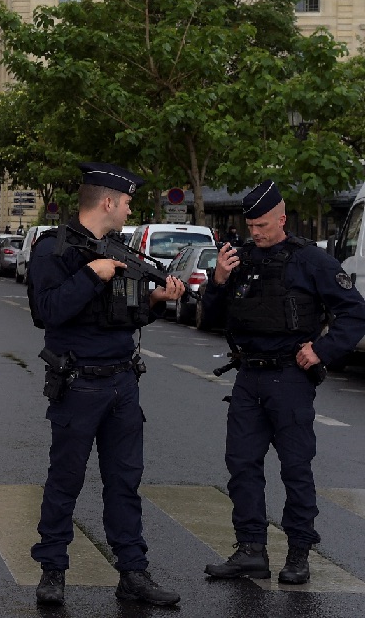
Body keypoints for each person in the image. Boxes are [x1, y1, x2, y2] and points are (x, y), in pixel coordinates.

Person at [28, 162, 185, 607]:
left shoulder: (121, 250)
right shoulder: (52, 249)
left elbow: (129, 315)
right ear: (108, 202)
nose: (131, 207)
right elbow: (47, 311)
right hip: (79, 384)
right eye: (128, 200)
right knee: (65, 480)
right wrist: (90, 276)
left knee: (125, 482)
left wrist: (156, 300)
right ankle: (53, 570)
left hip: (122, 382)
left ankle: (133, 572)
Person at [200, 180, 365, 584]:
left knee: (295, 467)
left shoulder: (310, 260)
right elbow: (210, 314)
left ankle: (298, 553)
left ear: (282, 219)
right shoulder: (238, 259)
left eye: (262, 224)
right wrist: (218, 280)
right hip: (248, 377)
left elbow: (355, 312)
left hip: (289, 378)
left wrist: (322, 351)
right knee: (241, 465)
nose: (255, 232)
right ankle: (251, 550)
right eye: (251, 224)